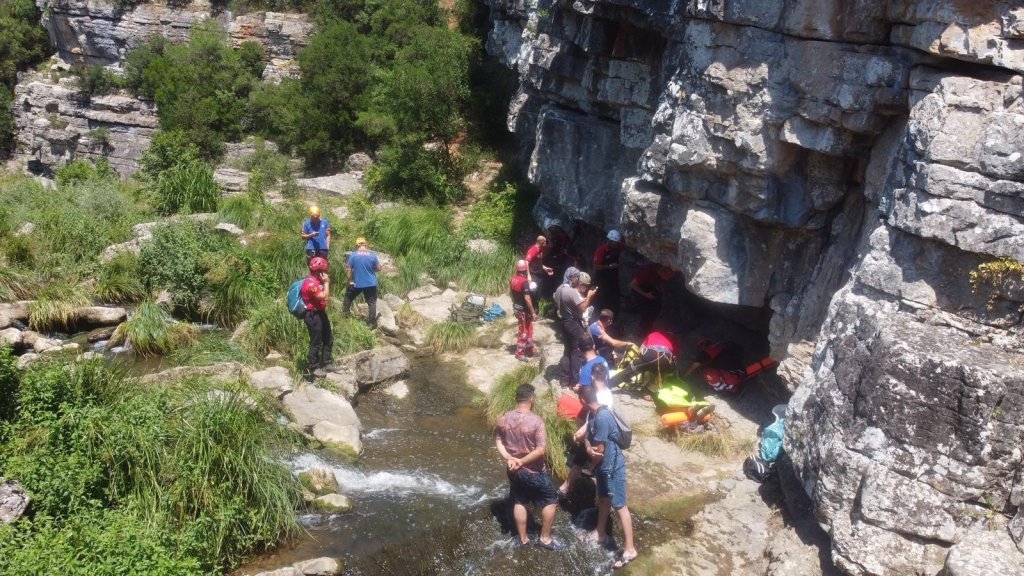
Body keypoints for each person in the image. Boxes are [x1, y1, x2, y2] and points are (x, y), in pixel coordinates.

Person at [495, 383, 563, 551]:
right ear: (531, 399)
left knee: (519, 500)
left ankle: (523, 539)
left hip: (513, 470)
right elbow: (541, 449)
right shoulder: (536, 421)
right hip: (534, 471)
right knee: (550, 500)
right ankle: (545, 539)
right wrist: (522, 461)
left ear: (516, 398)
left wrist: (509, 457)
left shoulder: (504, 418)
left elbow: (498, 440)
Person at [583, 386, 637, 569]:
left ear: (584, 401)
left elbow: (599, 451)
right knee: (604, 500)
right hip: (604, 468)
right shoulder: (595, 414)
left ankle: (630, 549)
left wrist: (589, 459)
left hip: (612, 467)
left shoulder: (602, 417)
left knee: (620, 506)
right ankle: (600, 533)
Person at [554, 271, 598, 385]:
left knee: (567, 350)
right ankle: (575, 380)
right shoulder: (573, 293)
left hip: (563, 321)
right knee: (577, 351)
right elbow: (582, 308)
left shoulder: (560, 289)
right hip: (572, 322)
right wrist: (589, 296)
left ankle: (564, 378)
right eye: (586, 286)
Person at [300, 256, 333, 378]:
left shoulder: (317, 281)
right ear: (319, 271)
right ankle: (314, 367)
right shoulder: (310, 284)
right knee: (316, 341)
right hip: (312, 315)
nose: (325, 274)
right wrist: (326, 283)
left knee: (328, 338)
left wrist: (323, 283)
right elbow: (324, 296)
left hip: (320, 313)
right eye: (324, 271)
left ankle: (327, 363)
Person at [343, 237, 382, 328]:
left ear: (357, 245)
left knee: (348, 297)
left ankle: (345, 316)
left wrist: (349, 281)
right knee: (372, 303)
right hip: (371, 283)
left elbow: (348, 269)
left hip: (358, 283)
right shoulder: (372, 255)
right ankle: (372, 323)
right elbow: (379, 268)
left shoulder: (353, 255)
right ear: (366, 244)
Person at [629, 263, 676, 335]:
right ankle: (643, 330)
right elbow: (633, 285)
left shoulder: (660, 272)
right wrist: (646, 295)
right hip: (638, 289)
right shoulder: (646, 272)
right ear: (663, 273)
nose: (666, 279)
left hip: (649, 286)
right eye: (666, 277)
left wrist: (662, 291)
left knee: (656, 307)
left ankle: (648, 326)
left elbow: (660, 282)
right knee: (646, 310)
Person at [509, 259, 537, 361]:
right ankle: (519, 353)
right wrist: (533, 312)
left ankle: (529, 350)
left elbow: (511, 294)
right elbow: (527, 298)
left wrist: (515, 305)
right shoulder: (524, 282)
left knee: (529, 329)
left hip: (518, 308)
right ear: (525, 270)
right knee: (524, 331)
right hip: (524, 310)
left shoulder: (513, 279)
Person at [592, 230, 625, 313]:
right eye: (615, 243)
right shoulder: (601, 250)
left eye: (617, 243)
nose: (616, 245)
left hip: (613, 278)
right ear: (610, 241)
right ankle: (598, 314)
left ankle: (612, 316)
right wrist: (610, 266)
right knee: (601, 298)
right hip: (602, 279)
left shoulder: (617, 246)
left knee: (613, 298)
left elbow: (626, 247)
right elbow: (596, 267)